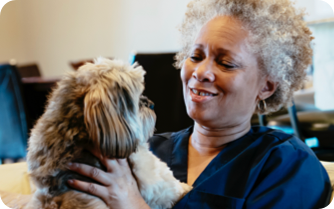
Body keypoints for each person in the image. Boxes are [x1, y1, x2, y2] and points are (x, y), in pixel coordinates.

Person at [67, 0, 332, 208]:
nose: (200, 72)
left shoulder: (286, 165)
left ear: (266, 87)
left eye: (226, 63)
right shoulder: (143, 149)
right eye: (195, 56)